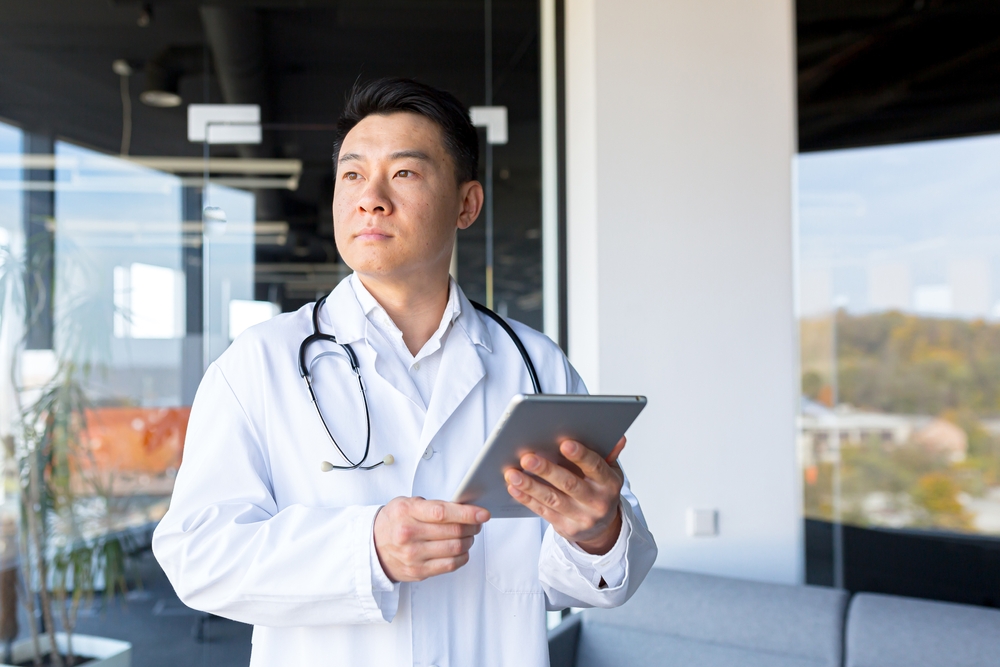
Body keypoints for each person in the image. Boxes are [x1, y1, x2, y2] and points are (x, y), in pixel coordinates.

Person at [152, 78, 657, 667]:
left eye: (405, 173)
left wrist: (596, 531)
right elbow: (198, 558)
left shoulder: (537, 366)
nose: (371, 197)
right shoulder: (259, 364)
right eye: (352, 174)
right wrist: (365, 550)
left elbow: (585, 581)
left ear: (467, 204)